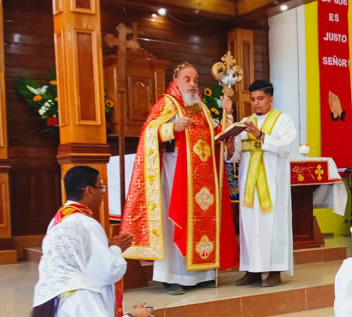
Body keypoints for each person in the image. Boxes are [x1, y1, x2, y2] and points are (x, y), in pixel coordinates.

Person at [120, 62, 239, 295]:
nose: (193, 84)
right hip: (175, 173)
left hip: (203, 177)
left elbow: (215, 137)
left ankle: (202, 275)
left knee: (202, 223)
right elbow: (148, 132)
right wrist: (171, 128)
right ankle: (171, 276)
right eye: (187, 79)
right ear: (175, 81)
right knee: (174, 221)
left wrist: (228, 116)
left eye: (195, 80)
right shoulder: (167, 103)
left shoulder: (202, 108)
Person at [225, 80, 296, 287]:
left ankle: (274, 270)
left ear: (270, 99)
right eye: (253, 99)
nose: (256, 103)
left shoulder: (283, 120)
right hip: (249, 184)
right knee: (249, 226)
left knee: (273, 226)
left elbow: (285, 147)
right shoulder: (244, 123)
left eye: (260, 99)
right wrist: (230, 147)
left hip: (273, 184)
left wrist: (260, 135)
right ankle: (252, 270)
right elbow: (236, 156)